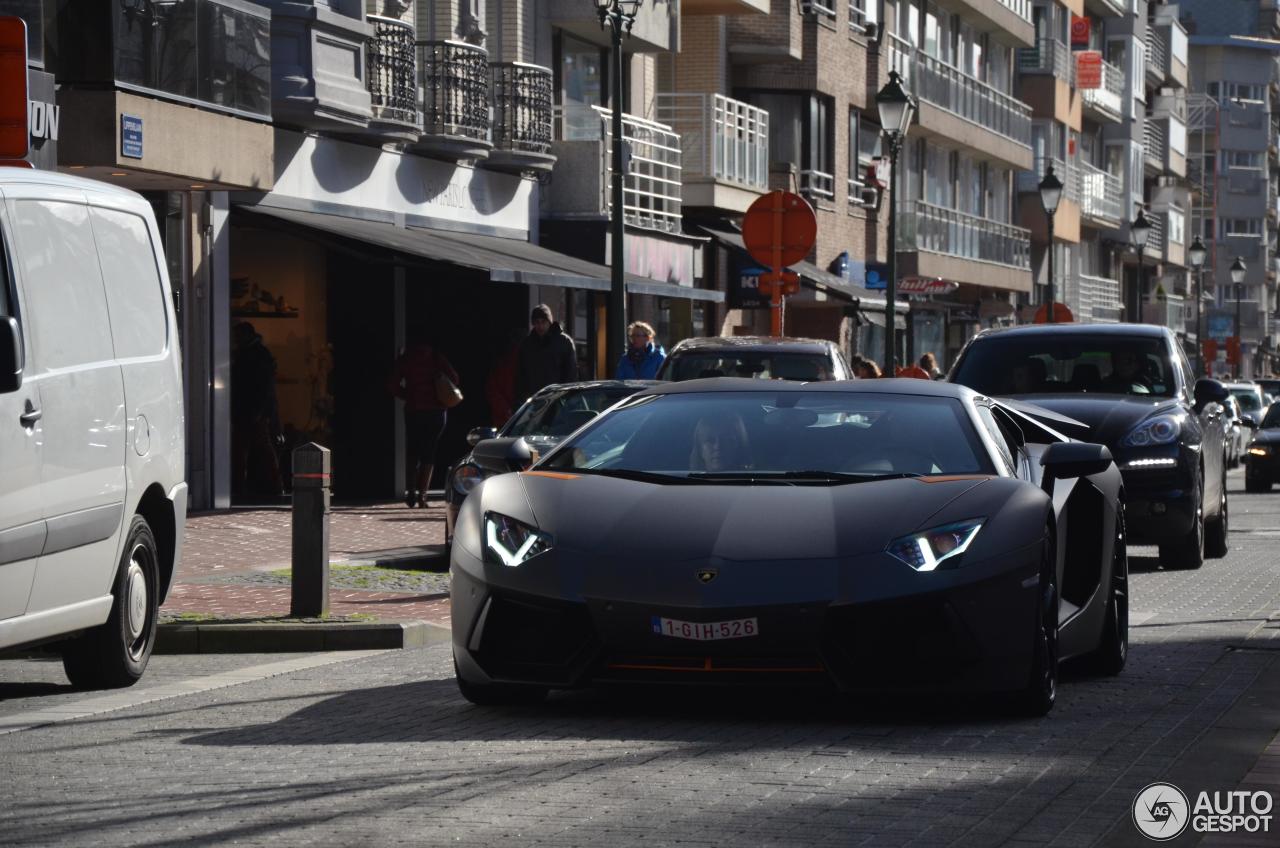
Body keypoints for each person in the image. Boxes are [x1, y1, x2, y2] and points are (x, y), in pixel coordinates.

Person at [388, 335, 459, 508]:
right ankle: (423, 495)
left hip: (413, 410)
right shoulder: (436, 357)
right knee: (429, 451)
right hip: (436, 410)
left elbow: (392, 384)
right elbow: (454, 379)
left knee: (412, 450)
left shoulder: (407, 358)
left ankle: (411, 490)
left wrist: (408, 395)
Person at [231, 322, 283, 498]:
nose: (236, 339)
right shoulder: (256, 354)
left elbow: (262, 386)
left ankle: (246, 486)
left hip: (250, 409)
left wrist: (259, 410)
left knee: (248, 449)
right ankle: (272, 485)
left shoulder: (252, 355)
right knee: (257, 449)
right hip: (251, 409)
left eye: (238, 335)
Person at [515, 304, 577, 401]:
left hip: (557, 399)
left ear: (549, 322)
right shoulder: (527, 345)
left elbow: (571, 374)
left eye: (543, 322)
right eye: (537, 322)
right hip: (535, 400)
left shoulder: (564, 342)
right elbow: (521, 376)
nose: (540, 326)